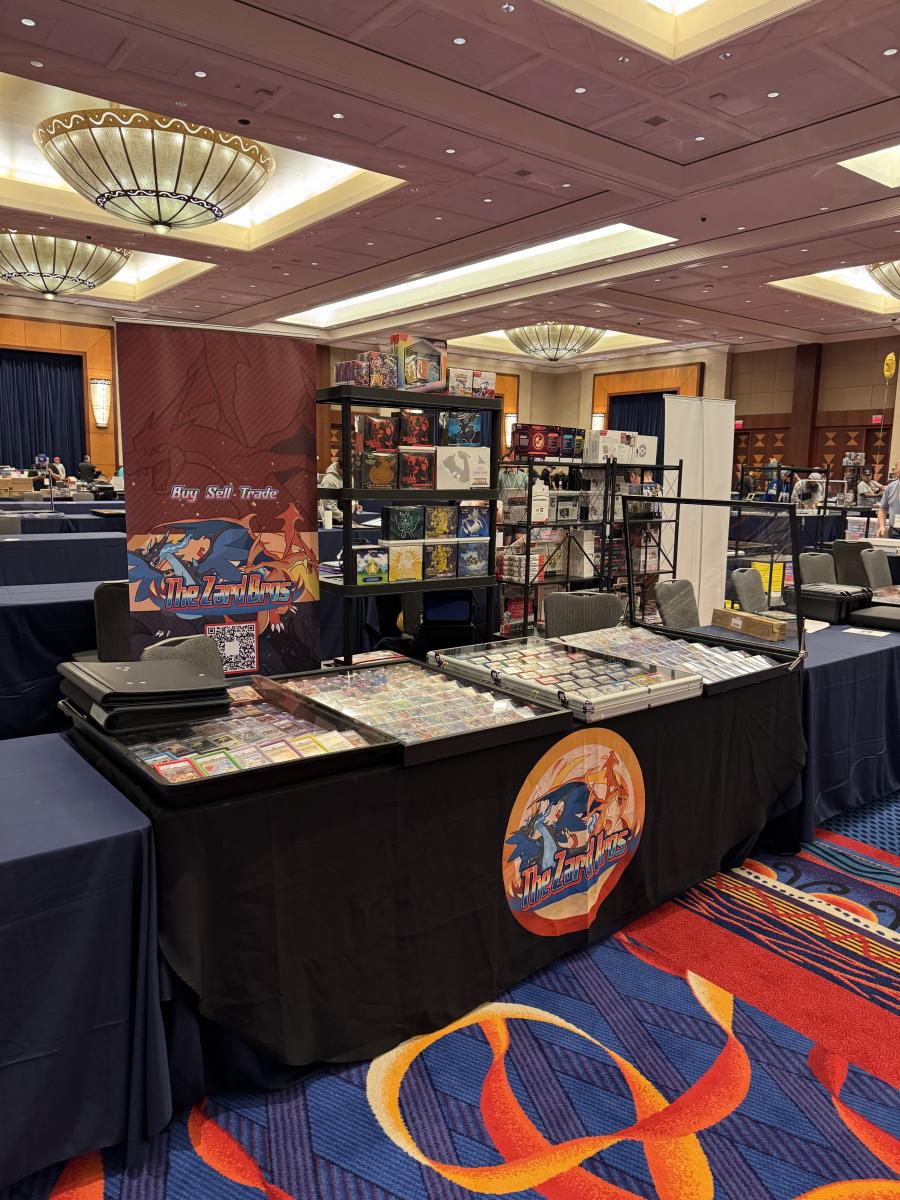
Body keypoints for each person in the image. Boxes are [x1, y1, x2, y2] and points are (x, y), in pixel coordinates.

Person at [876, 459, 900, 539]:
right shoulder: (890, 487)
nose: (897, 472)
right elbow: (883, 509)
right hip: (895, 532)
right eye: (897, 471)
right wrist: (882, 526)